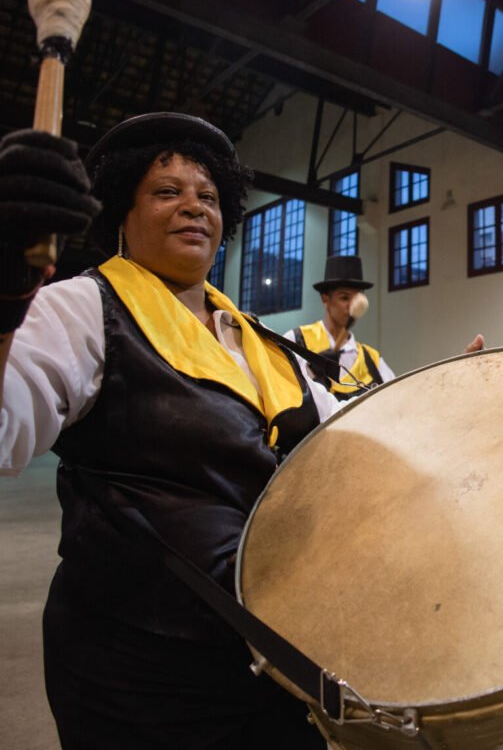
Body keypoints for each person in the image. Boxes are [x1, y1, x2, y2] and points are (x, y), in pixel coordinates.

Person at [0, 113, 337, 747]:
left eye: (208, 196)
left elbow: (346, 439)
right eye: (166, 191)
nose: (193, 207)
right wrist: (5, 298)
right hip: (136, 671)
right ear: (121, 214)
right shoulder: (81, 308)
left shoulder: (257, 337)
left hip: (273, 654)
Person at [285, 254, 395, 399]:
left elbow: (395, 398)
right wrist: (310, 372)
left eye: (357, 298)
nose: (351, 305)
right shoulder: (297, 341)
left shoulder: (373, 360)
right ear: (325, 299)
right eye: (344, 298)